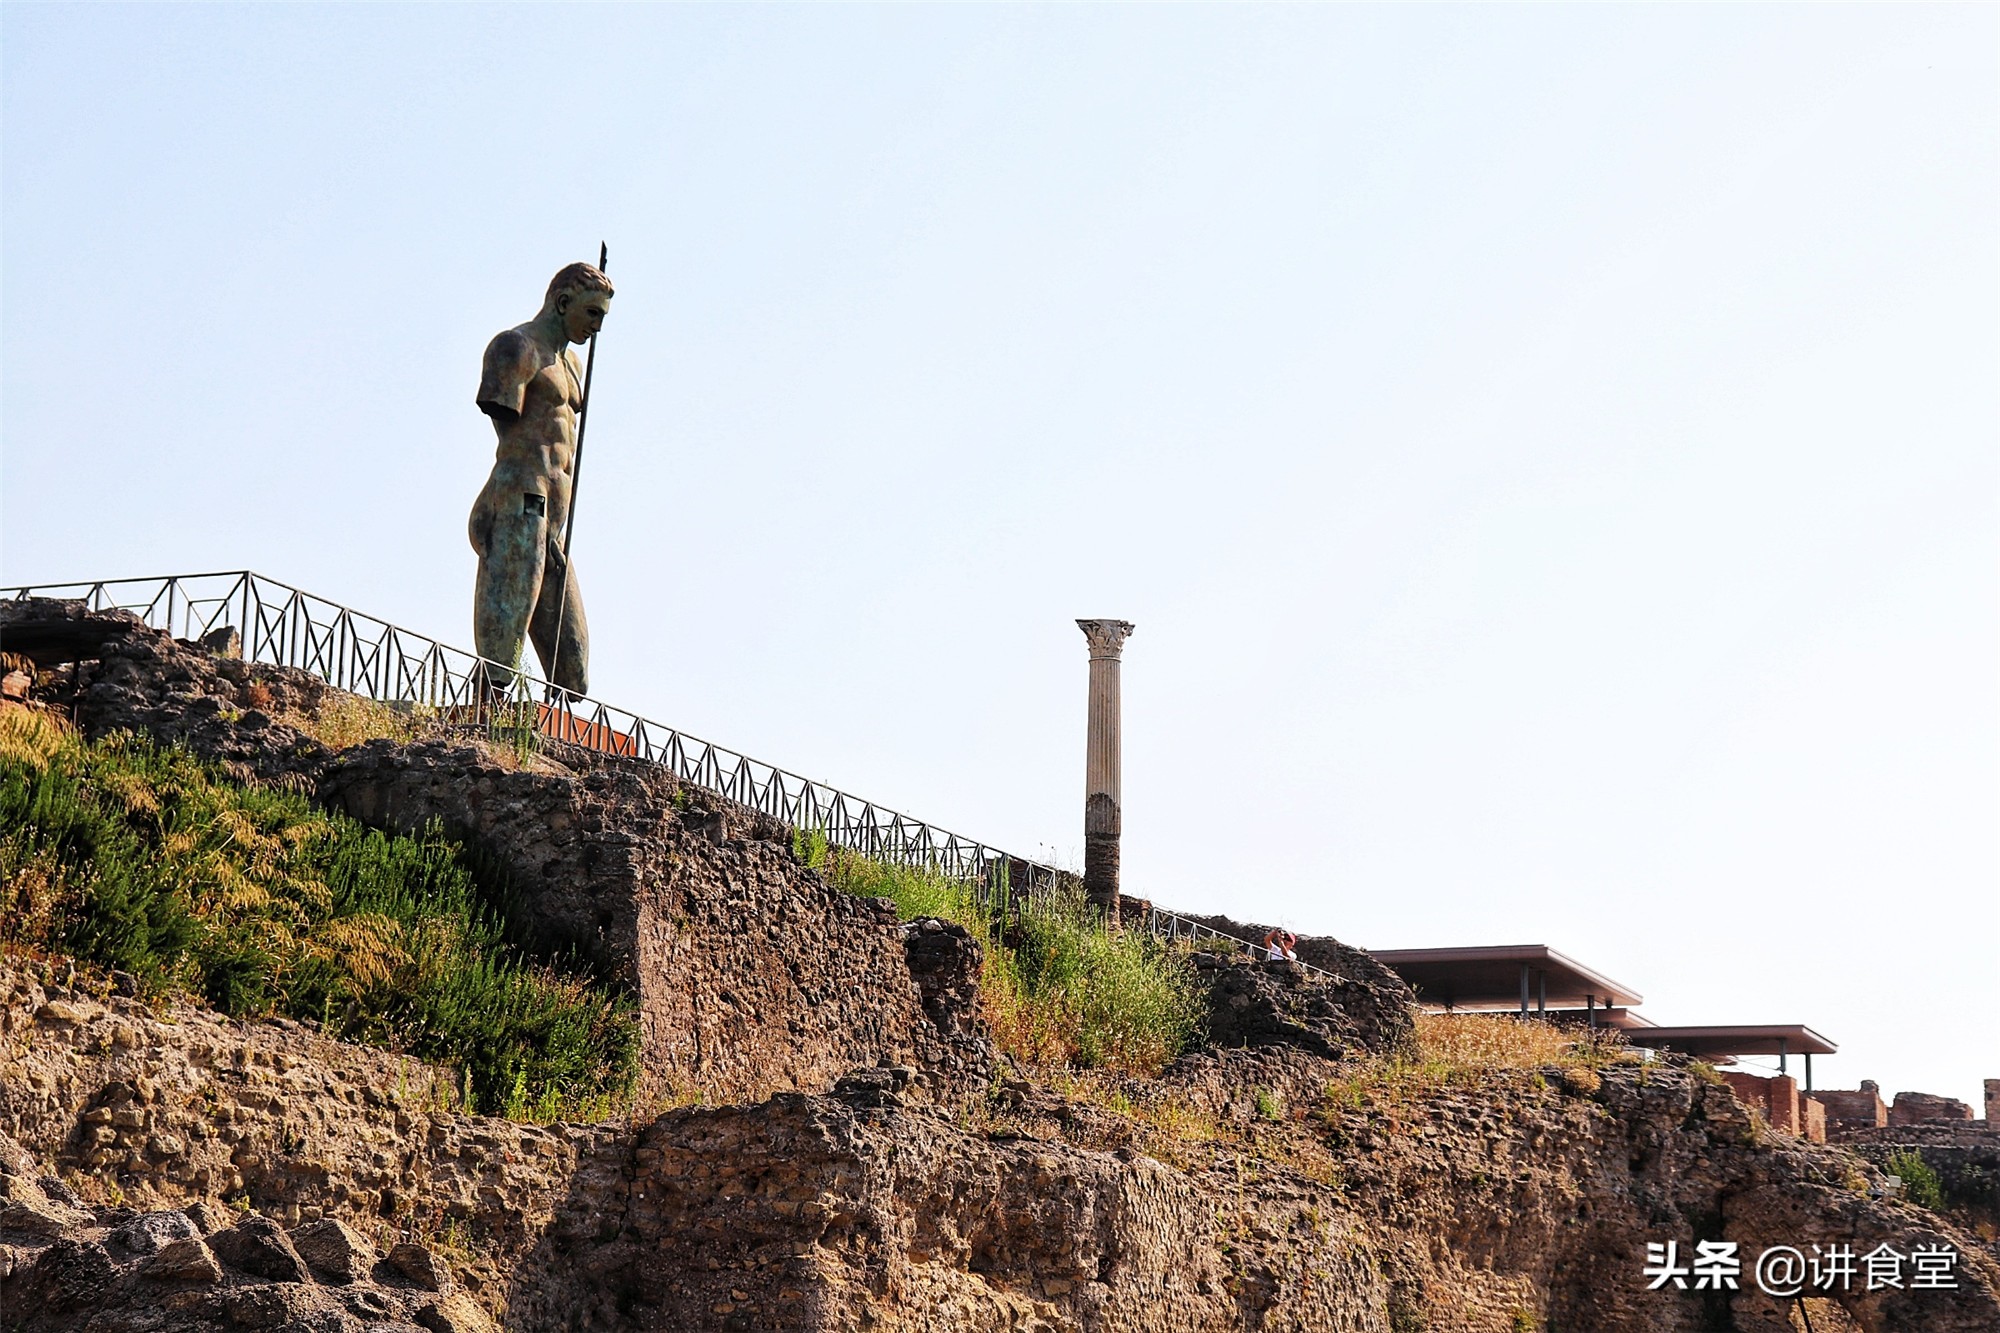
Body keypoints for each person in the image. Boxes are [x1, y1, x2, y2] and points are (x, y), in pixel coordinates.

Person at [467, 261, 614, 697]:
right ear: (563, 302)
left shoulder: (572, 366)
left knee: (573, 669)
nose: (597, 328)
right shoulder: (516, 347)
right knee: (505, 635)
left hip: (554, 518)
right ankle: (490, 707)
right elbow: (510, 435)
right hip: (522, 496)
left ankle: (544, 722)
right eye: (593, 314)